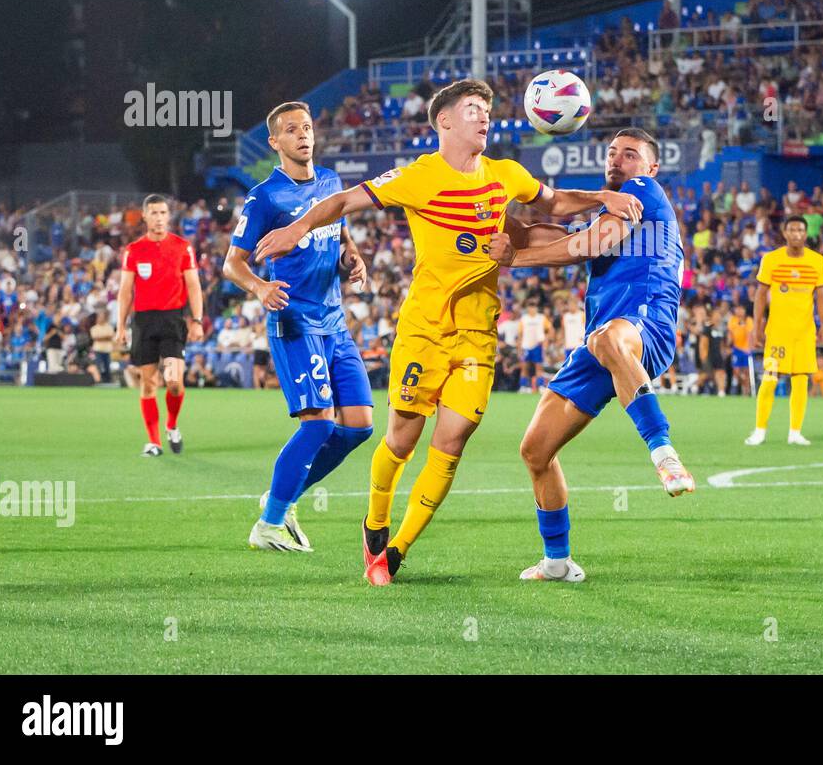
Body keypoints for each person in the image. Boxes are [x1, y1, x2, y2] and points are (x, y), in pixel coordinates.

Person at [254, 79, 641, 584]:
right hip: (423, 330)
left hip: (478, 335)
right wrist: (295, 229)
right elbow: (344, 201)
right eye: (474, 109)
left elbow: (555, 203)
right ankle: (375, 518)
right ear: (445, 122)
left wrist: (602, 197)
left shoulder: (506, 174)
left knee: (452, 443)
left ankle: (393, 553)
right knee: (399, 440)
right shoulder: (420, 177)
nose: (485, 117)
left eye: (487, 110)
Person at [488, 128, 693, 583]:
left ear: (652, 168)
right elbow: (550, 232)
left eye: (631, 154)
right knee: (536, 450)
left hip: (644, 326)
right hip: (599, 343)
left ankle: (663, 452)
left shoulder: (642, 192)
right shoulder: (609, 210)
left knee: (606, 339)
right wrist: (494, 212)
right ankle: (557, 562)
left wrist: (514, 260)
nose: (617, 160)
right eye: (612, 153)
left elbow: (591, 244)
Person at [225, 100, 376, 553]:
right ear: (275, 142)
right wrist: (258, 289)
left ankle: (284, 497)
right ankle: (268, 525)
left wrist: (352, 256)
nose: (303, 135)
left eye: (307, 127)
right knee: (317, 425)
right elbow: (233, 264)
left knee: (360, 426)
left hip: (335, 321)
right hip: (296, 322)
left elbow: (340, 231)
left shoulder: (331, 181)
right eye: (291, 130)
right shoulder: (265, 197)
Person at [115, 194, 204, 457]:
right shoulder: (133, 250)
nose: (159, 218)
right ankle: (153, 442)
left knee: (175, 381)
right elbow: (125, 292)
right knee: (148, 383)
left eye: (163, 213)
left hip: (173, 319)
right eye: (154, 213)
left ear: (169, 216)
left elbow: (194, 287)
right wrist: (120, 326)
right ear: (144, 217)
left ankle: (172, 425)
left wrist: (197, 320)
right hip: (143, 321)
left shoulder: (182, 247)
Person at [744, 216, 823, 446]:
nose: (796, 234)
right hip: (778, 332)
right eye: (792, 229)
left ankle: (795, 432)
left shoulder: (817, 261)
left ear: (806, 233)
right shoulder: (771, 260)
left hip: (804, 332)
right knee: (770, 380)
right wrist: (757, 326)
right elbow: (761, 295)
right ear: (784, 232)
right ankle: (760, 430)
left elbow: (822, 297)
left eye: (800, 230)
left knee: (801, 380)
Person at [517, 301, 553, 392]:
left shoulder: (541, 318)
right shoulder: (524, 319)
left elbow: (550, 329)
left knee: (538, 367)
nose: (532, 309)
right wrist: (519, 347)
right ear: (527, 308)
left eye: (534, 307)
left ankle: (540, 386)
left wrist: (546, 340)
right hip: (526, 345)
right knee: (525, 367)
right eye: (530, 307)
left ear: (536, 308)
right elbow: (520, 335)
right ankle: (524, 386)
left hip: (538, 345)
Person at [727, 303, 754, 395]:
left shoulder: (749, 320)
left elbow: (750, 334)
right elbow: (730, 334)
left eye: (741, 309)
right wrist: (729, 346)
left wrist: (749, 348)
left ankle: (746, 392)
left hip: (746, 350)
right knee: (736, 371)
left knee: (747, 372)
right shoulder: (732, 320)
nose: (739, 311)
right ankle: (744, 385)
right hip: (736, 349)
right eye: (737, 309)